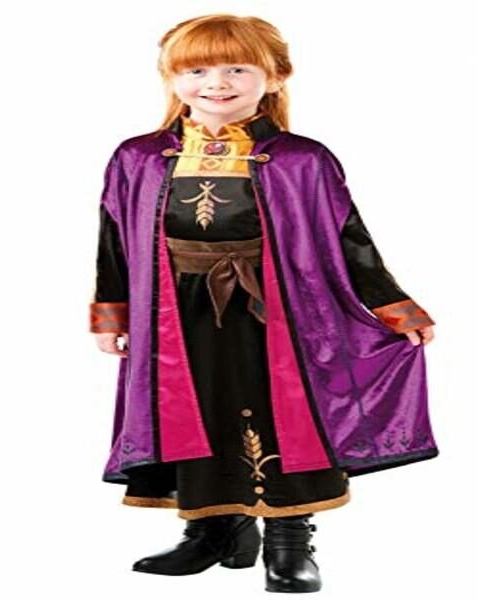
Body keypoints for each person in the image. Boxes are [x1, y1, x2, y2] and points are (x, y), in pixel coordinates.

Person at [89, 13, 439, 593]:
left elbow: (348, 238)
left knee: (283, 414)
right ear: (172, 77)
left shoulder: (303, 159)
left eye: (236, 69)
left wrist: (394, 307)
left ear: (275, 76)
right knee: (195, 411)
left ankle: (288, 540)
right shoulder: (138, 157)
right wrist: (111, 313)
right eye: (197, 70)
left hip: (279, 311)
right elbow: (113, 237)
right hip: (174, 314)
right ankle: (214, 530)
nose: (216, 83)